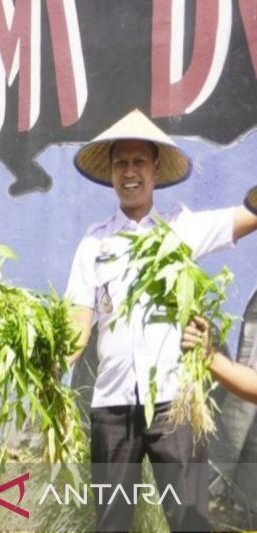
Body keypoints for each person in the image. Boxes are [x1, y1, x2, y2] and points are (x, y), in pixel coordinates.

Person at [65, 109, 257, 532]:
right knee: (112, 522)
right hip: (112, 407)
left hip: (174, 404)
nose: (129, 172)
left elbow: (241, 219)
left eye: (138, 162)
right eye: (120, 163)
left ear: (155, 168)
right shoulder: (94, 243)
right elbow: (78, 324)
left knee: (189, 522)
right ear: (111, 173)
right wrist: (44, 361)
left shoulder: (179, 229)